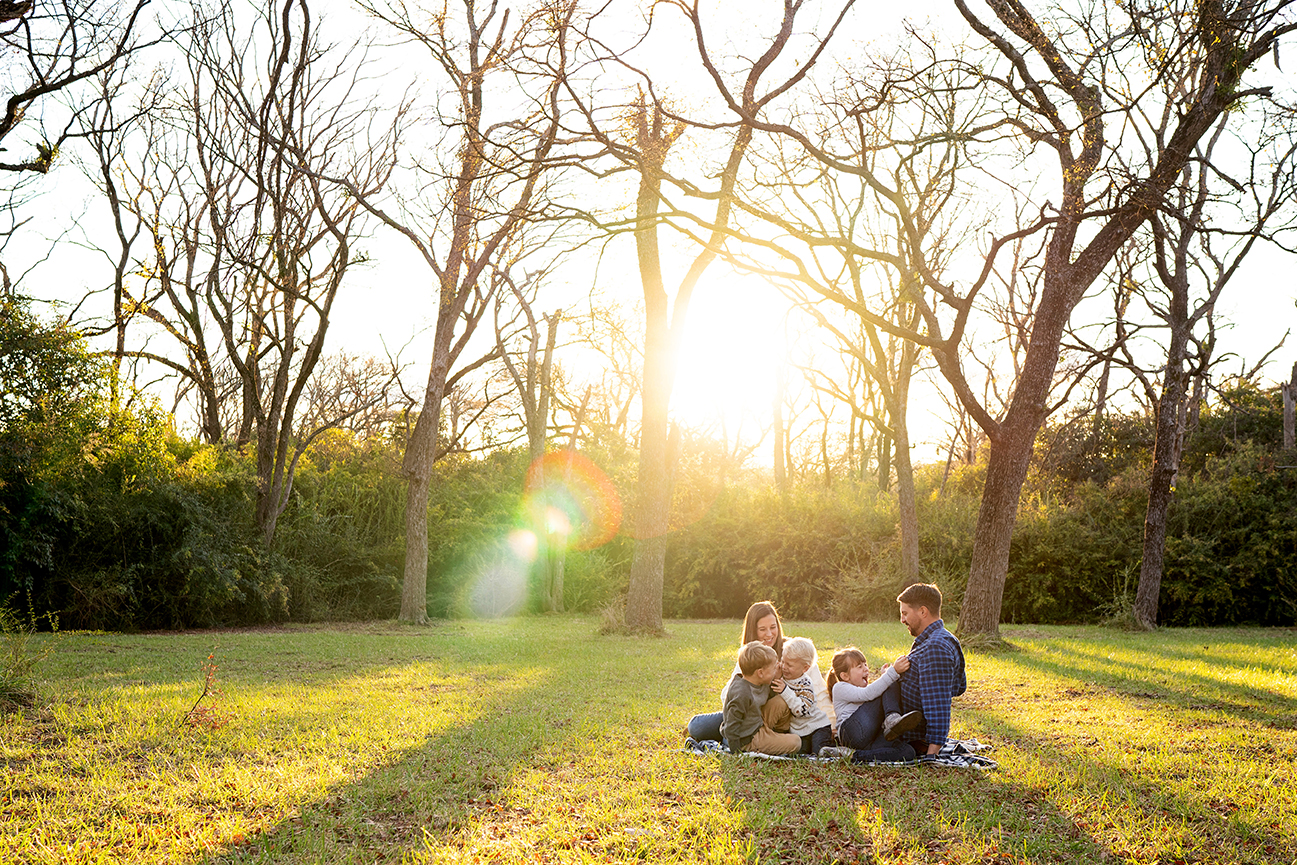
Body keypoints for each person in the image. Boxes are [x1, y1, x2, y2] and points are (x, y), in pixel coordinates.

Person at [686, 601, 789, 742]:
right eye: (762, 629)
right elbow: (727, 695)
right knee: (696, 727)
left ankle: (728, 737)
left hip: (768, 716)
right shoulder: (750, 655)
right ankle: (725, 733)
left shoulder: (789, 650)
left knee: (730, 738)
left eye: (773, 627)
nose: (769, 634)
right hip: (744, 713)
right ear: (753, 631)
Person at [895, 583, 967, 756]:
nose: (902, 620)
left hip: (902, 733)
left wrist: (931, 754)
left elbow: (938, 706)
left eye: (905, 613)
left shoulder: (936, 647)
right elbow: (959, 686)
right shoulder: (936, 639)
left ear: (922, 611)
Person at [822, 647, 922, 762]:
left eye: (865, 665)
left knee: (907, 752)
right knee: (889, 683)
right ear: (845, 676)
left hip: (868, 739)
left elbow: (874, 690)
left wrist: (886, 676)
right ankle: (892, 717)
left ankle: (852, 755)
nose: (866, 669)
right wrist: (892, 672)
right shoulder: (839, 687)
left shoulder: (864, 689)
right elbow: (868, 693)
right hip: (851, 733)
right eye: (860, 667)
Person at [720, 641, 802, 756]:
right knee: (796, 742)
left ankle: (774, 736)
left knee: (782, 701)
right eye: (773, 669)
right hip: (749, 738)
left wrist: (776, 677)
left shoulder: (758, 681)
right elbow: (731, 726)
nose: (776, 671)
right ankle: (770, 742)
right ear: (760, 673)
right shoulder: (742, 694)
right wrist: (736, 752)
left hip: (757, 723)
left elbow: (769, 696)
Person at [776, 637, 835, 755]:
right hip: (798, 730)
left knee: (819, 752)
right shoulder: (782, 676)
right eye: (783, 661)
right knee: (800, 753)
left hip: (817, 726)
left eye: (789, 664)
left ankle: (833, 746)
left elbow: (800, 711)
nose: (784, 666)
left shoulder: (806, 684)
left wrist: (785, 691)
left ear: (805, 668)